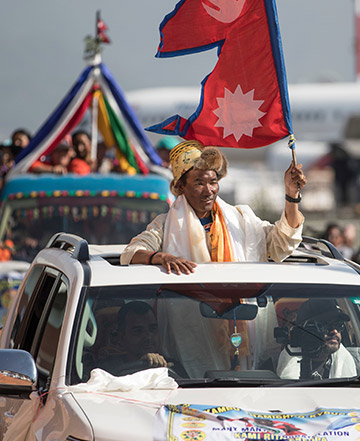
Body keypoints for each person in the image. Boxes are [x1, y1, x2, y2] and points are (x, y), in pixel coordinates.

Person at [120, 140, 306, 273]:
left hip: (243, 321)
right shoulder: (165, 225)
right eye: (199, 183)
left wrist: (291, 194)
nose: (208, 190)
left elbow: (282, 243)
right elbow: (131, 253)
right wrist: (162, 257)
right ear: (181, 187)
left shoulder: (241, 219)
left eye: (213, 182)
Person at [97, 301, 186, 377]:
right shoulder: (106, 371)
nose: (148, 337)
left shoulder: (172, 367)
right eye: (138, 331)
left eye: (153, 329)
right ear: (122, 337)